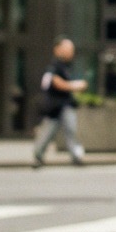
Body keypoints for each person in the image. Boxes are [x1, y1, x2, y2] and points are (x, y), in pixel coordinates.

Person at [32, 37, 90, 167]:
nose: (71, 52)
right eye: (68, 49)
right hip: (55, 105)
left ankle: (76, 156)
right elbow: (56, 82)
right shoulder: (54, 65)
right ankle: (38, 155)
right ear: (58, 49)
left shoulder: (66, 66)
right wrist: (75, 85)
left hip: (64, 104)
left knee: (70, 130)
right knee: (51, 131)